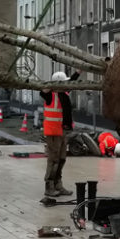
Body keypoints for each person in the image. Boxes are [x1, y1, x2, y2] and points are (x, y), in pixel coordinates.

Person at [39, 70, 79, 199]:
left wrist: (78, 72)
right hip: (53, 131)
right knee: (53, 159)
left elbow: (71, 83)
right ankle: (49, 187)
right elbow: (42, 91)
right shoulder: (50, 95)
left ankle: (58, 184)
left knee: (61, 159)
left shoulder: (63, 94)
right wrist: (52, 85)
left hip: (62, 131)